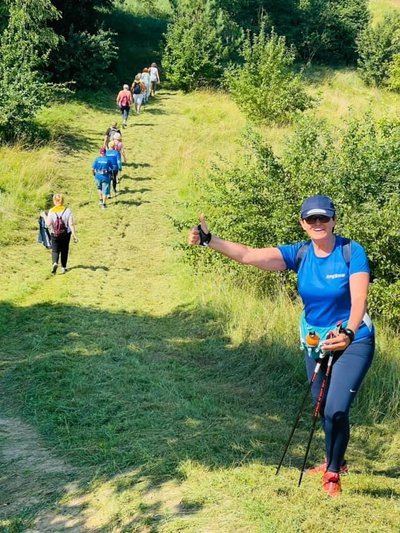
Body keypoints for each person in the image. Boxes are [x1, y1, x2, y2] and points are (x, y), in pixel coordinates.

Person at [188, 195, 374, 497]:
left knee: (337, 409)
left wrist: (350, 332)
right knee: (323, 406)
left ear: (334, 220)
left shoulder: (352, 252)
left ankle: (332, 473)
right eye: (311, 219)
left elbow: (359, 300)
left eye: (323, 218)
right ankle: (334, 458)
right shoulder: (298, 253)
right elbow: (248, 255)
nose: (318, 224)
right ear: (302, 223)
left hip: (354, 339)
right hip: (315, 340)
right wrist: (210, 240)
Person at [41, 193, 78, 274]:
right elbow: (71, 224)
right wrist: (75, 235)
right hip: (66, 234)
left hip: (55, 234)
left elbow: (48, 224)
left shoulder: (52, 211)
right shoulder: (67, 210)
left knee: (55, 250)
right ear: (63, 201)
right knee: (65, 250)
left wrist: (44, 216)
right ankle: (63, 268)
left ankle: (55, 263)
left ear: (54, 201)